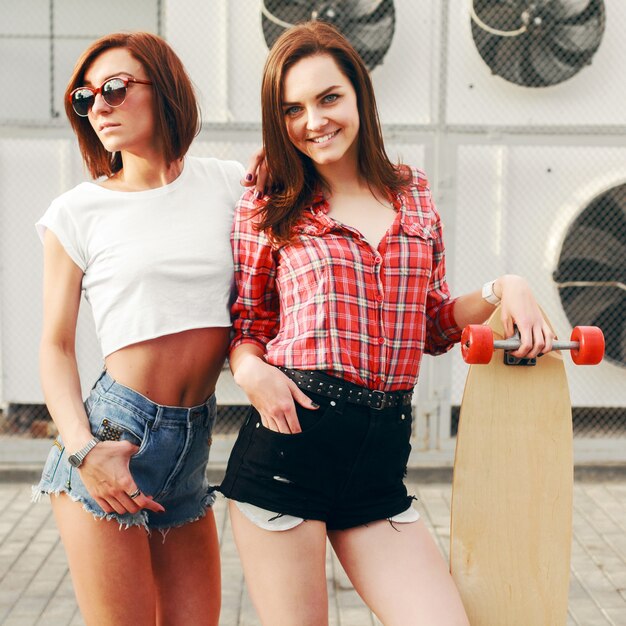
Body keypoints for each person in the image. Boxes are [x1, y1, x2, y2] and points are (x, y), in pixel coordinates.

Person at [220, 21, 555, 626]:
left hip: (379, 461)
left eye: (328, 98)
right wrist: (250, 373)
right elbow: (249, 321)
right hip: (290, 444)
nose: (314, 121)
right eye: (292, 109)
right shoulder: (268, 200)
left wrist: (506, 288)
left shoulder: (414, 194)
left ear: (359, 96)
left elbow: (432, 324)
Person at [32, 32, 244, 625]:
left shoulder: (229, 185)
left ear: (166, 89)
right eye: (85, 98)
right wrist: (82, 451)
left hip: (193, 443)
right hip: (110, 437)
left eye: (116, 89)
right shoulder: (76, 212)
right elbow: (55, 345)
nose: (99, 106)